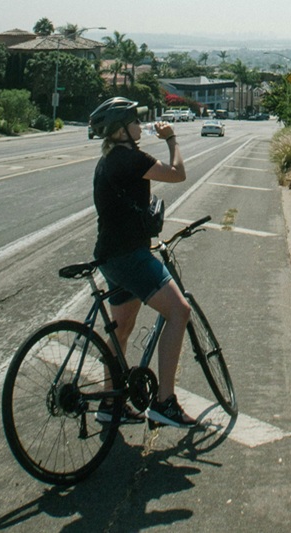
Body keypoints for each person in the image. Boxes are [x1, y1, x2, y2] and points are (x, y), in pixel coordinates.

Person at [88, 96, 196, 428]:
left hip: (109, 256)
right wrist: (171, 139)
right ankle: (165, 403)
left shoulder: (108, 160)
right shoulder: (132, 159)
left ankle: (109, 403)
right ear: (121, 129)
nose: (140, 124)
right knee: (179, 312)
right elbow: (178, 174)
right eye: (134, 119)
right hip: (130, 257)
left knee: (121, 331)